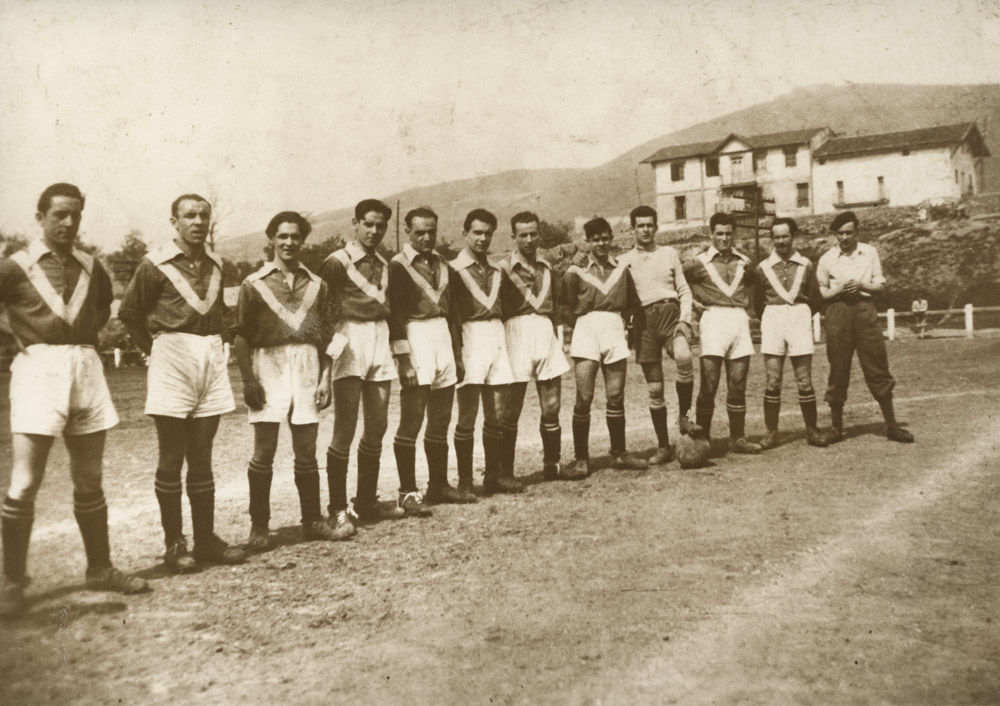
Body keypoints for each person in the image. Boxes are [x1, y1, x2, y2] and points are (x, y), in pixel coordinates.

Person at [0, 183, 148, 616]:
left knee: (89, 477)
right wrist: (15, 340)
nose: (68, 222)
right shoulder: (15, 266)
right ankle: (12, 582)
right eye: (59, 214)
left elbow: (101, 310)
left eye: (75, 215)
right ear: (40, 217)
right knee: (25, 480)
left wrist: (76, 340)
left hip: (84, 365)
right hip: (38, 369)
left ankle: (99, 568)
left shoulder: (92, 266)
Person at [120, 193, 246, 572]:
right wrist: (155, 352)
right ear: (174, 222)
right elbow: (129, 314)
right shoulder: (154, 264)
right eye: (189, 215)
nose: (198, 222)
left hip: (210, 355)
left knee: (202, 455)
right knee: (172, 456)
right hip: (171, 354)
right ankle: (174, 544)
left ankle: (205, 540)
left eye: (204, 215)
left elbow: (222, 314)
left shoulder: (218, 264)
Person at [232, 212, 344, 549]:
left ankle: (312, 521)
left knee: (306, 449)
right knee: (264, 450)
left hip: (308, 363)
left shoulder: (318, 285)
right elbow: (241, 336)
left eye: (295, 236)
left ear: (303, 240)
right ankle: (259, 527)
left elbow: (330, 336)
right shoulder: (253, 283)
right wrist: (248, 381)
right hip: (269, 363)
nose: (289, 242)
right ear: (272, 239)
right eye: (282, 236)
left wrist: (326, 378)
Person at [319, 199, 406, 535]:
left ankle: (366, 500)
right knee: (345, 427)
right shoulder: (336, 262)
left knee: (378, 425)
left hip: (378, 338)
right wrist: (326, 365)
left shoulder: (385, 263)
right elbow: (324, 314)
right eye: (368, 224)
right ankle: (337, 509)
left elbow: (392, 309)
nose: (374, 231)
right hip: (349, 337)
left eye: (380, 225)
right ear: (355, 223)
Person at [387, 207, 470, 506]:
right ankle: (408, 492)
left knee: (441, 417)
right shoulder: (397, 266)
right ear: (407, 231)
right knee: (413, 417)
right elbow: (394, 314)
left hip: (442, 336)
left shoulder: (444, 264)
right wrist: (404, 360)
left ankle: (438, 485)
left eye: (431, 231)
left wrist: (457, 355)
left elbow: (454, 312)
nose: (426, 237)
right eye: (419, 232)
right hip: (416, 335)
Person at [816, 211, 914, 443]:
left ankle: (892, 426)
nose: (845, 237)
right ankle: (836, 428)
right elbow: (821, 292)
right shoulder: (827, 258)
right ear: (835, 235)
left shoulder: (869, 252)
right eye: (840, 233)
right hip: (838, 311)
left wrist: (861, 285)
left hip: (864, 309)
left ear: (857, 232)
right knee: (838, 367)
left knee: (876, 363)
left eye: (849, 232)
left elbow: (879, 285)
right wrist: (839, 290)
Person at [561, 217, 648, 478]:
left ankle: (619, 453)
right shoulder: (575, 271)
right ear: (587, 242)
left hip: (613, 328)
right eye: (595, 239)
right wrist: (581, 325)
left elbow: (633, 304)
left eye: (605, 238)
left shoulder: (621, 268)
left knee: (616, 395)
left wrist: (624, 324)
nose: (601, 243)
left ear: (611, 239)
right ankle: (581, 459)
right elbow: (564, 306)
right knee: (584, 397)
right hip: (586, 329)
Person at [616, 205, 699, 464]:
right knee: (655, 388)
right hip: (644, 323)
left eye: (649, 225)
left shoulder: (669, 254)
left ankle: (685, 416)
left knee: (684, 357)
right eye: (640, 226)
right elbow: (620, 299)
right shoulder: (623, 261)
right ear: (632, 229)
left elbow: (684, 290)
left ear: (656, 227)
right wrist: (627, 322)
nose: (645, 230)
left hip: (670, 315)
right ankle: (663, 447)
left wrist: (685, 319)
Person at [450, 208, 520, 496]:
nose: (482, 238)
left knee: (498, 413)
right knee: (468, 413)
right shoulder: (453, 269)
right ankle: (465, 481)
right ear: (465, 233)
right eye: (477, 232)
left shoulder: (497, 269)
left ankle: (494, 476)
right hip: (470, 337)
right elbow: (450, 314)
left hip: (496, 335)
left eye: (488, 234)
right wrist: (456, 353)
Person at [498, 212, 569, 482]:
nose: (529, 240)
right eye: (523, 235)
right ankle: (505, 471)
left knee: (552, 405)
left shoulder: (547, 267)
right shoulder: (503, 268)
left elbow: (557, 304)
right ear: (513, 237)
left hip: (544, 332)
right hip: (516, 333)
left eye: (533, 234)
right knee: (511, 409)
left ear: (539, 235)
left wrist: (558, 336)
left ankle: (552, 465)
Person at [683, 212, 761, 455]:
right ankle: (703, 439)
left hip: (739, 319)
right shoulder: (697, 262)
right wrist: (692, 303)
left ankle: (737, 438)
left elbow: (753, 285)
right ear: (711, 234)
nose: (724, 238)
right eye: (719, 233)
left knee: (737, 384)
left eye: (728, 233)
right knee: (709, 385)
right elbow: (676, 283)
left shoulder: (745, 261)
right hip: (713, 319)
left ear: (734, 234)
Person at [752, 217, 833, 449]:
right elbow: (757, 302)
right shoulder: (762, 268)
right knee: (773, 379)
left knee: (804, 379)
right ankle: (771, 433)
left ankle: (812, 430)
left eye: (785, 236)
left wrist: (799, 314)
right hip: (773, 319)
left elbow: (815, 298)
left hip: (799, 317)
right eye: (776, 237)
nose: (781, 241)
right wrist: (774, 316)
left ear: (792, 237)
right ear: (771, 239)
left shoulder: (806, 264)